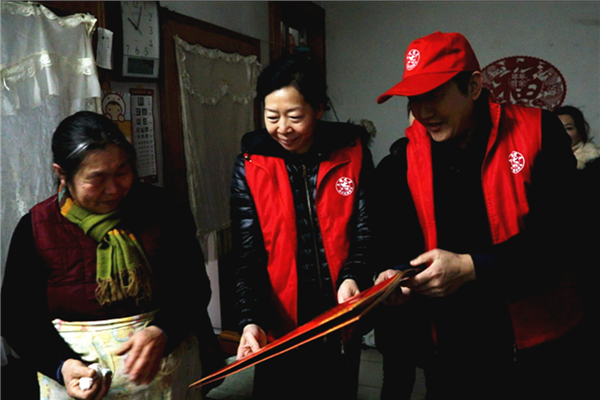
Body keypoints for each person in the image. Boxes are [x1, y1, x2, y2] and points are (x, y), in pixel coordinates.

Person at [372, 31, 591, 399]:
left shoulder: (538, 132)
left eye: (434, 96)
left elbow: (565, 234)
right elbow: (396, 241)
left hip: (538, 339)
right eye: (413, 100)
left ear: (473, 86)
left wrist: (471, 266)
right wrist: (394, 275)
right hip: (452, 346)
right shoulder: (403, 158)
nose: (422, 112)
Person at [1, 111, 217, 399]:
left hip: (166, 373)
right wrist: (62, 365)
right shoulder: (37, 227)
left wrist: (163, 331)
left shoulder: (163, 209)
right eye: (97, 178)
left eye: (122, 172)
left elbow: (194, 287)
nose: (113, 189)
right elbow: (16, 318)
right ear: (62, 174)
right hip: (76, 384)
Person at [230, 53, 374, 400]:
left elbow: (366, 233)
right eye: (272, 117)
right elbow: (247, 256)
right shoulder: (251, 165)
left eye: (294, 116)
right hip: (280, 323)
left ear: (318, 108)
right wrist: (250, 320)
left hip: (340, 313)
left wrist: (352, 276)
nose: (283, 128)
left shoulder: (352, 154)